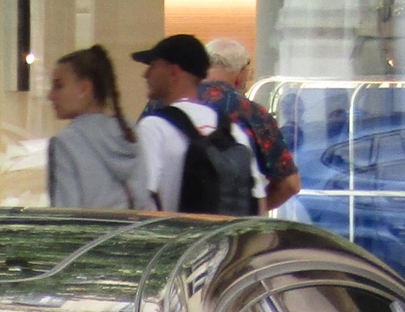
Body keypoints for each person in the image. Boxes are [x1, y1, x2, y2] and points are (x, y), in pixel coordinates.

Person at [131, 34, 259, 216]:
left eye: (153, 66)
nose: (146, 74)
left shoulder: (154, 127)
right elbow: (258, 202)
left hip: (177, 239)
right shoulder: (234, 132)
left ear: (173, 72)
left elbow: (142, 202)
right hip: (225, 240)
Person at [201, 34, 301, 211]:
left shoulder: (165, 104)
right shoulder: (252, 113)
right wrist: (251, 212)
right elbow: (290, 184)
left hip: (171, 225)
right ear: (241, 74)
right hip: (230, 227)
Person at [45, 47, 147, 210]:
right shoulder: (128, 133)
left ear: (84, 88)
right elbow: (144, 201)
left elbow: (65, 217)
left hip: (93, 235)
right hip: (131, 232)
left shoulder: (66, 142)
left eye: (59, 86)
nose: (50, 95)